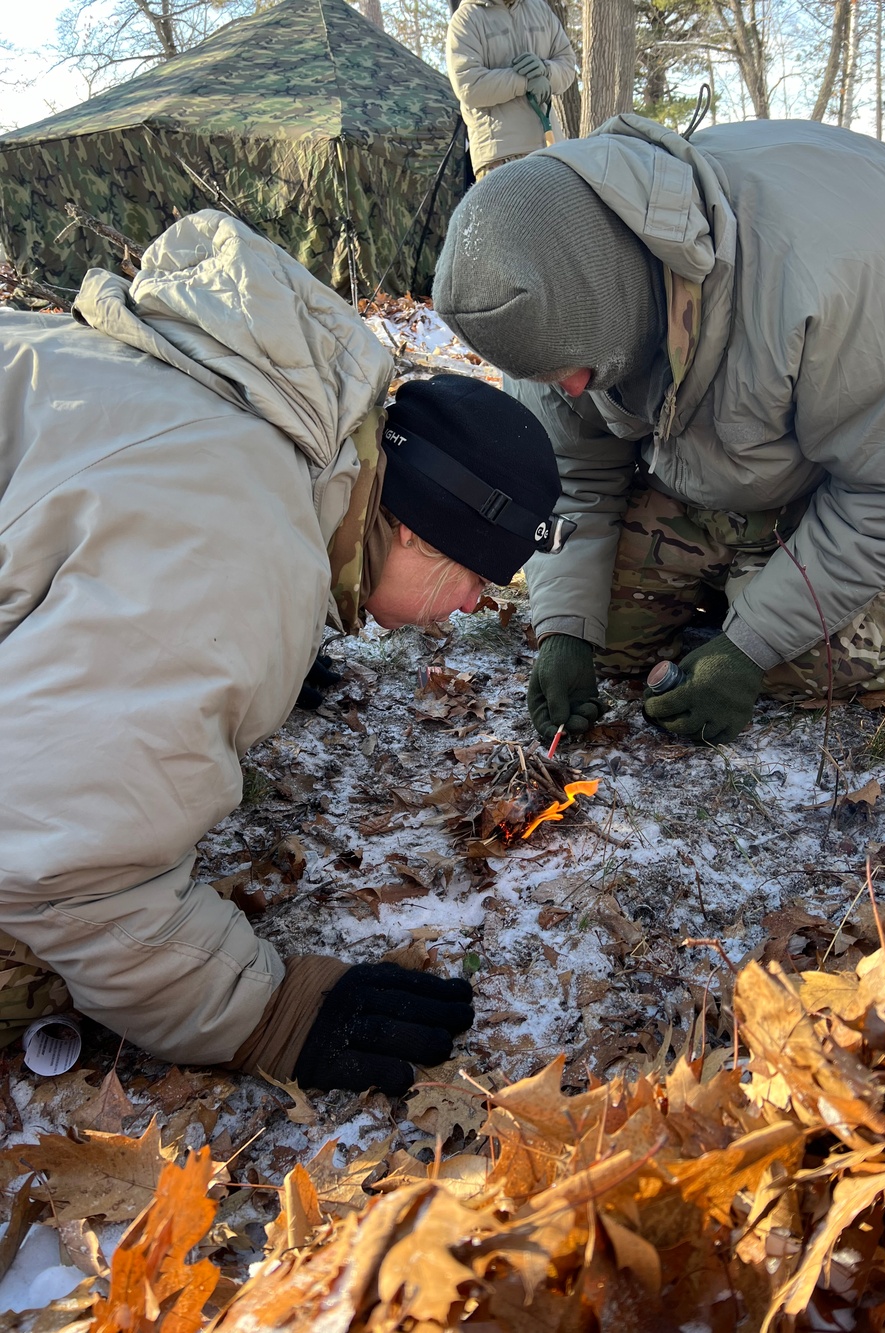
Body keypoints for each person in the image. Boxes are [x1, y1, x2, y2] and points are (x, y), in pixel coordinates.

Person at [0, 209, 566, 1096]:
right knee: (31, 961)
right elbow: (53, 861)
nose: (469, 611)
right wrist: (263, 1011)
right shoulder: (240, 557)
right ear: (415, 533)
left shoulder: (254, 422)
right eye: (477, 581)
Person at [432, 116, 885, 747]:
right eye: (548, 377)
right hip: (695, 477)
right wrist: (564, 631)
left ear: (622, 303)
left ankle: (764, 598)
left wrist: (749, 649)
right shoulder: (541, 308)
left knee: (833, 664)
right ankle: (737, 588)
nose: (572, 390)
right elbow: (574, 477)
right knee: (603, 641)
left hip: (837, 492)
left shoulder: (836, 281)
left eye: (576, 370)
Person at [446, 0, 577, 180]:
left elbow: (568, 64)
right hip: (500, 158)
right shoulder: (467, 19)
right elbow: (469, 85)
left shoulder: (540, 10)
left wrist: (547, 71)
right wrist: (526, 81)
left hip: (553, 151)